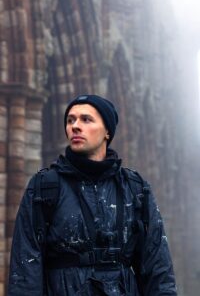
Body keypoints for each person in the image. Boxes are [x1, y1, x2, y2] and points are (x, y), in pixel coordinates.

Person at [8, 94, 177, 295]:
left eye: (86, 119)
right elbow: (25, 267)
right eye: (71, 120)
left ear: (107, 131)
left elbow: (158, 267)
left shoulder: (135, 189)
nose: (75, 126)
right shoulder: (45, 187)